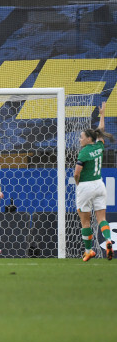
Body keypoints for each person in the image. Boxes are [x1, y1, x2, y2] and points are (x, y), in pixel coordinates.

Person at [75, 102, 115, 261]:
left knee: (85, 220)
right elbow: (101, 131)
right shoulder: (99, 146)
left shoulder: (84, 152)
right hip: (100, 184)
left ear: (88, 139)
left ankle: (88, 250)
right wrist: (102, 115)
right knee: (101, 218)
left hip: (86, 186)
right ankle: (107, 241)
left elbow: (77, 172)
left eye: (81, 137)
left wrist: (77, 182)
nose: (80, 139)